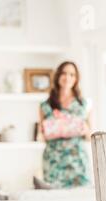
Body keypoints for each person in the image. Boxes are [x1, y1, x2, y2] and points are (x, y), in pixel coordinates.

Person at [37, 61, 91, 189]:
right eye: (64, 73)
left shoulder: (84, 104)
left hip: (77, 160)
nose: (68, 78)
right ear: (58, 76)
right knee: (54, 199)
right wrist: (45, 131)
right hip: (54, 160)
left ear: (76, 79)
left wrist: (85, 130)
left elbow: (89, 136)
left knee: (81, 200)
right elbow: (41, 136)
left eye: (72, 75)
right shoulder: (45, 105)